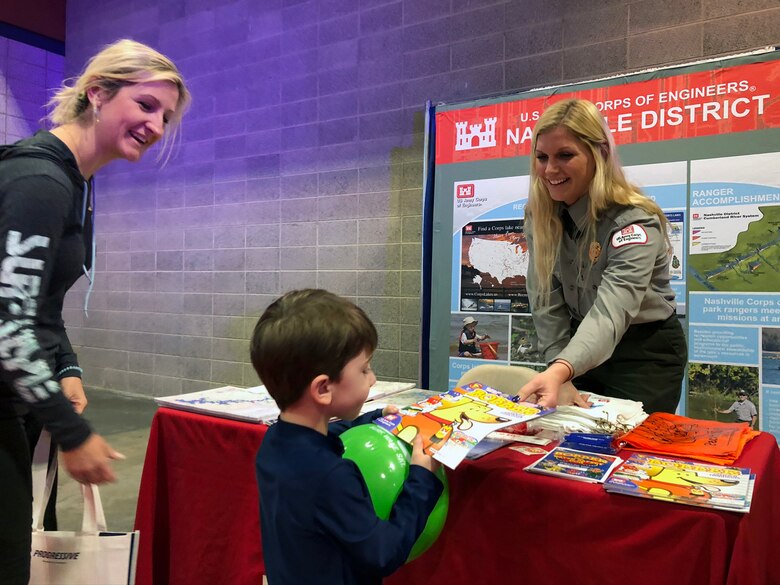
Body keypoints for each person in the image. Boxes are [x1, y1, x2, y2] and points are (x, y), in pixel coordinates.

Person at [0, 39, 190, 584]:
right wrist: (73, 433)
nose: (156, 126)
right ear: (99, 93)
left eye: (166, 117)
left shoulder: (75, 183)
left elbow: (42, 308)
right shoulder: (39, 181)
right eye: (147, 105)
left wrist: (67, 368)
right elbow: (9, 325)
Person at [251, 289, 443, 585]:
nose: (373, 378)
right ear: (323, 389)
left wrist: (374, 418)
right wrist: (421, 477)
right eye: (364, 369)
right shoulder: (330, 476)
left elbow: (330, 433)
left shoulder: (274, 441)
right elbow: (384, 552)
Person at [516, 99, 687, 414]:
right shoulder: (539, 216)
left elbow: (611, 310)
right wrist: (559, 365)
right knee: (571, 443)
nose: (550, 169)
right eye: (542, 157)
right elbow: (545, 300)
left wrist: (562, 368)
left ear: (600, 154)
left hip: (643, 354)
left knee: (627, 446)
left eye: (565, 155)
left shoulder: (634, 220)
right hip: (578, 348)